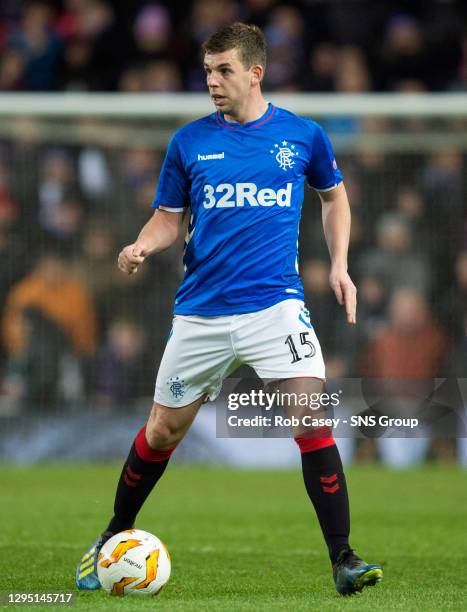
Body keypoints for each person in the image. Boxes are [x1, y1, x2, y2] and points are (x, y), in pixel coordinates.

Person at [75, 22, 382, 596]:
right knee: (163, 432)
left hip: (275, 306)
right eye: (207, 70)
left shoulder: (303, 136)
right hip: (202, 314)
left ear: (255, 72)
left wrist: (339, 265)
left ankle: (343, 558)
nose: (212, 82)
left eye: (224, 71)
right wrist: (143, 243)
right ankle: (113, 534)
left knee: (311, 417)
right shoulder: (189, 142)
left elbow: (334, 197)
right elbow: (168, 218)